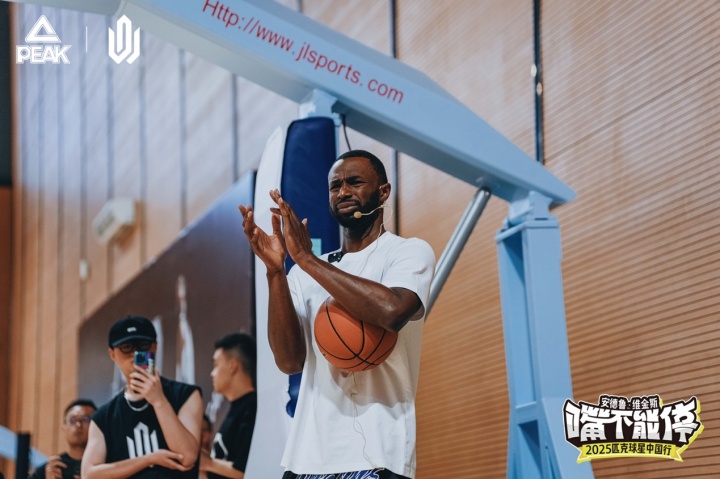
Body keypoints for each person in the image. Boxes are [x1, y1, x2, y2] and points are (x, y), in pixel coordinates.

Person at [239, 150, 435, 479]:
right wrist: (276, 272)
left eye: (354, 182)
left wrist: (307, 259)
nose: (343, 192)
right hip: (307, 458)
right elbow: (289, 361)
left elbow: (392, 311)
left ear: (384, 192)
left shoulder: (408, 252)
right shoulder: (301, 274)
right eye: (335, 186)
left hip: (379, 452)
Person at [82, 315, 203, 479]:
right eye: (126, 347)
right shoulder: (104, 416)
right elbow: (89, 475)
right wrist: (148, 459)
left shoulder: (185, 395)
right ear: (112, 354)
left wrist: (159, 400)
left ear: (155, 347)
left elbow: (187, 456)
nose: (135, 354)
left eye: (143, 345)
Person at [199, 334, 257, 479]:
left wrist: (208, 463)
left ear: (232, 366)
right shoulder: (236, 408)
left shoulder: (252, 408)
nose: (212, 374)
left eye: (216, 365)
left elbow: (246, 469)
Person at [29, 399, 98, 479]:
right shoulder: (50, 469)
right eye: (72, 420)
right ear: (64, 428)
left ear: (97, 426)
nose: (78, 425)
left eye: (86, 419)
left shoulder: (105, 466)